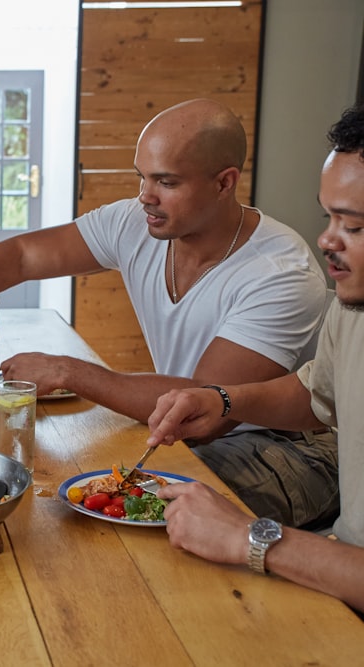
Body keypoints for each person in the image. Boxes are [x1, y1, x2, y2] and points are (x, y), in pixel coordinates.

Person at [0, 98, 338, 529]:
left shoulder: (280, 272)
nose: (145, 196)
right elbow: (24, 256)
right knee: (70, 488)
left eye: (166, 182)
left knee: (120, 508)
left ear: (224, 182)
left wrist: (66, 370)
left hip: (290, 448)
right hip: (182, 427)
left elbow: (208, 407)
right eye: (143, 176)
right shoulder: (137, 222)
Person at [145, 105, 364, 613]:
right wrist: (222, 400)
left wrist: (255, 538)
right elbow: (317, 395)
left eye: (353, 227)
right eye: (327, 217)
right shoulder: (352, 309)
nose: (327, 240)